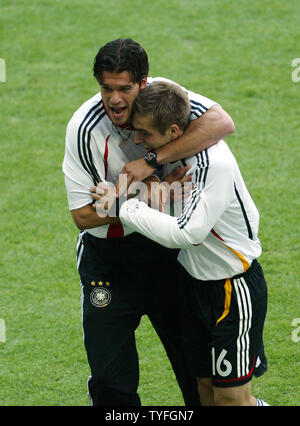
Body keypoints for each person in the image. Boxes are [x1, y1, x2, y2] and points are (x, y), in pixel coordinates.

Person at [63, 38, 235, 406]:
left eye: (124, 88)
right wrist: (149, 197)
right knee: (111, 382)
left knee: (197, 374)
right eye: (106, 88)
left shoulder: (162, 98)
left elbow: (221, 121)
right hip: (107, 260)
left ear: (142, 82)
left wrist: (150, 161)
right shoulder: (83, 129)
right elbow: (82, 216)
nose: (115, 100)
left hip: (167, 253)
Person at [115, 81, 269, 406]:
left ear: (173, 131)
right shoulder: (171, 155)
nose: (138, 140)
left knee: (231, 399)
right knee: (204, 391)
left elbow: (188, 233)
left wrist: (126, 207)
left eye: (144, 133)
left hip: (232, 288)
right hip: (194, 285)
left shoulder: (215, 164)